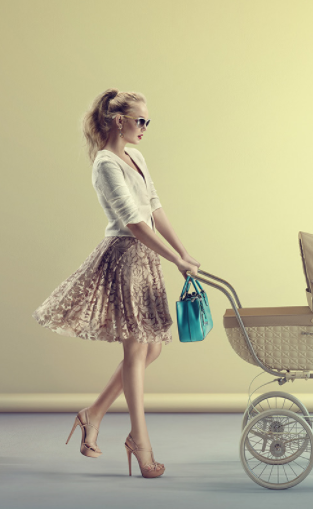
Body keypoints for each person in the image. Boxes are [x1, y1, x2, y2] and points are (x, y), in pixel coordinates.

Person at [32, 89, 200, 478]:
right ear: (118, 121)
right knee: (137, 349)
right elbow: (134, 222)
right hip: (126, 257)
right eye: (140, 120)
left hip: (148, 257)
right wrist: (175, 260)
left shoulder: (136, 157)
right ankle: (140, 441)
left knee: (151, 348)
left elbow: (154, 207)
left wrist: (183, 252)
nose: (145, 127)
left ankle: (92, 414)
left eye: (147, 121)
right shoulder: (105, 164)